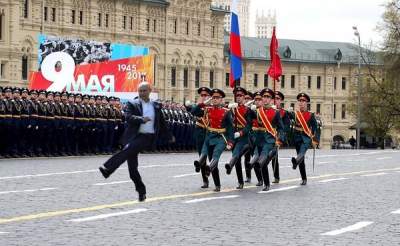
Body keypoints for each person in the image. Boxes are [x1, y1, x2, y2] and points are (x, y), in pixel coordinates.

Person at [99, 82, 174, 202]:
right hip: (133, 136)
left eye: (144, 90)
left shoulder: (156, 105)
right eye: (140, 91)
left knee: (127, 150)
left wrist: (169, 135)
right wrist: (141, 119)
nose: (142, 93)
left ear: (149, 91)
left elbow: (162, 123)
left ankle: (108, 168)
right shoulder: (132, 103)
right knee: (132, 170)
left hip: (147, 137)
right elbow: (128, 117)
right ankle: (141, 191)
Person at [192, 88, 234, 192]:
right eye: (213, 98)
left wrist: (230, 142)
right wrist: (202, 103)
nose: (215, 99)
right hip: (209, 136)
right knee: (203, 153)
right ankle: (201, 165)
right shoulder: (208, 109)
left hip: (220, 137)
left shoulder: (226, 112)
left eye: (217, 98)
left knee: (214, 157)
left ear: (221, 99)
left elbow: (230, 129)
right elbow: (194, 112)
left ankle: (216, 184)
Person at [250, 88, 285, 191]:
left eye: (268, 97)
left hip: (269, 140)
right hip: (258, 140)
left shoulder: (275, 113)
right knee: (263, 163)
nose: (265, 99)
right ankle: (266, 183)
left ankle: (266, 184)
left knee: (263, 158)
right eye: (264, 97)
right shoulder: (257, 111)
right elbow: (248, 122)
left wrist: (279, 140)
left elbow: (281, 129)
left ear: (271, 99)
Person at [225, 87, 252, 189]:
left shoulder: (247, 110)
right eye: (237, 95)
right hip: (234, 137)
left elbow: (248, 126)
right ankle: (240, 181)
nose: (238, 97)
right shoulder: (232, 109)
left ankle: (230, 165)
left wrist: (240, 133)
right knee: (237, 160)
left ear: (244, 97)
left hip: (244, 137)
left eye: (240, 95)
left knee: (236, 155)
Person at [290, 93, 319, 186]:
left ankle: (296, 161)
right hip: (297, 137)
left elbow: (315, 128)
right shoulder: (295, 114)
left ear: (307, 103)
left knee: (302, 152)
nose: (301, 103)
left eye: (303, 101)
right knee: (301, 159)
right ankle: (304, 178)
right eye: (300, 101)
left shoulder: (310, 115)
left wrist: (315, 140)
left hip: (306, 138)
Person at [192, 87, 212, 188]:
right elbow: (193, 111)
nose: (204, 97)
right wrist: (201, 104)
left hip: (211, 133)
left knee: (212, 156)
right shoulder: (199, 106)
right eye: (202, 95)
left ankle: (211, 171)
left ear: (209, 96)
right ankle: (205, 180)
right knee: (202, 156)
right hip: (200, 132)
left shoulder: (213, 106)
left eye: (206, 95)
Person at [271, 91, 291, 184]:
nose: (276, 100)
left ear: (281, 101)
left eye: (278, 99)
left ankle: (276, 177)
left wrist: (280, 137)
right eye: (274, 98)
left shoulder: (284, 113)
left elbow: (286, 127)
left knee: (274, 156)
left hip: (278, 136)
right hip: (268, 135)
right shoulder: (268, 110)